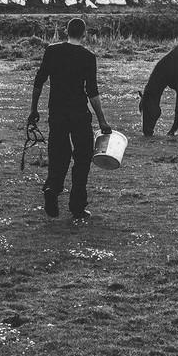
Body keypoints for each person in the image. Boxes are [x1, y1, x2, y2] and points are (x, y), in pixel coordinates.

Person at [28, 17, 113, 219]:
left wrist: (33, 110)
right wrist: (102, 120)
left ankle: (52, 189)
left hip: (56, 113)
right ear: (84, 34)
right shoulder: (88, 57)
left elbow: (39, 81)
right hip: (79, 115)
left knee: (58, 155)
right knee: (82, 158)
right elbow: (92, 92)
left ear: (66, 31)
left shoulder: (52, 51)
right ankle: (77, 206)